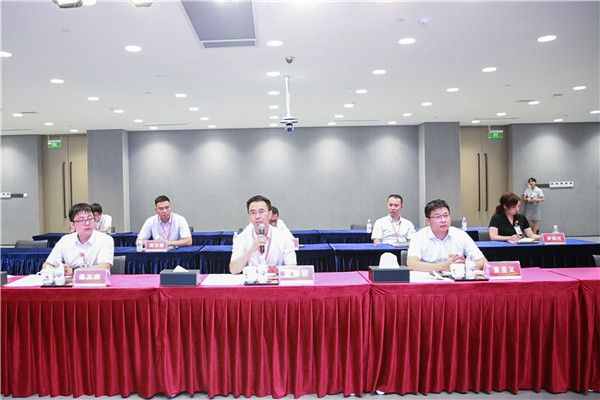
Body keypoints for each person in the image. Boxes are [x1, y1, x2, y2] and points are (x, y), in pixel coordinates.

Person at [407, 199, 487, 272]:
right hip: (428, 280)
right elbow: (412, 264)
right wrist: (443, 267)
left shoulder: (460, 235)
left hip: (456, 279)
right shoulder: (419, 237)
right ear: (428, 221)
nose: (443, 220)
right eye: (437, 217)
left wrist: (465, 266)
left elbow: (483, 262)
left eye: (446, 215)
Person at [230, 195, 297, 274]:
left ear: (270, 214)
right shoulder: (242, 238)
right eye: (253, 213)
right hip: (252, 280)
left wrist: (277, 270)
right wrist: (251, 250)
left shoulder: (283, 236)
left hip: (276, 280)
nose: (257, 216)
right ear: (250, 217)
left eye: (261, 212)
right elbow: (234, 270)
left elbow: (292, 268)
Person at [42, 203, 114, 276]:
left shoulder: (105, 239)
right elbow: (46, 265)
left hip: (97, 281)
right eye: (81, 220)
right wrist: (60, 270)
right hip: (71, 282)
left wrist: (74, 271)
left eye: (90, 219)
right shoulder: (65, 240)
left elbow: (103, 267)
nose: (87, 223)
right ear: (72, 225)